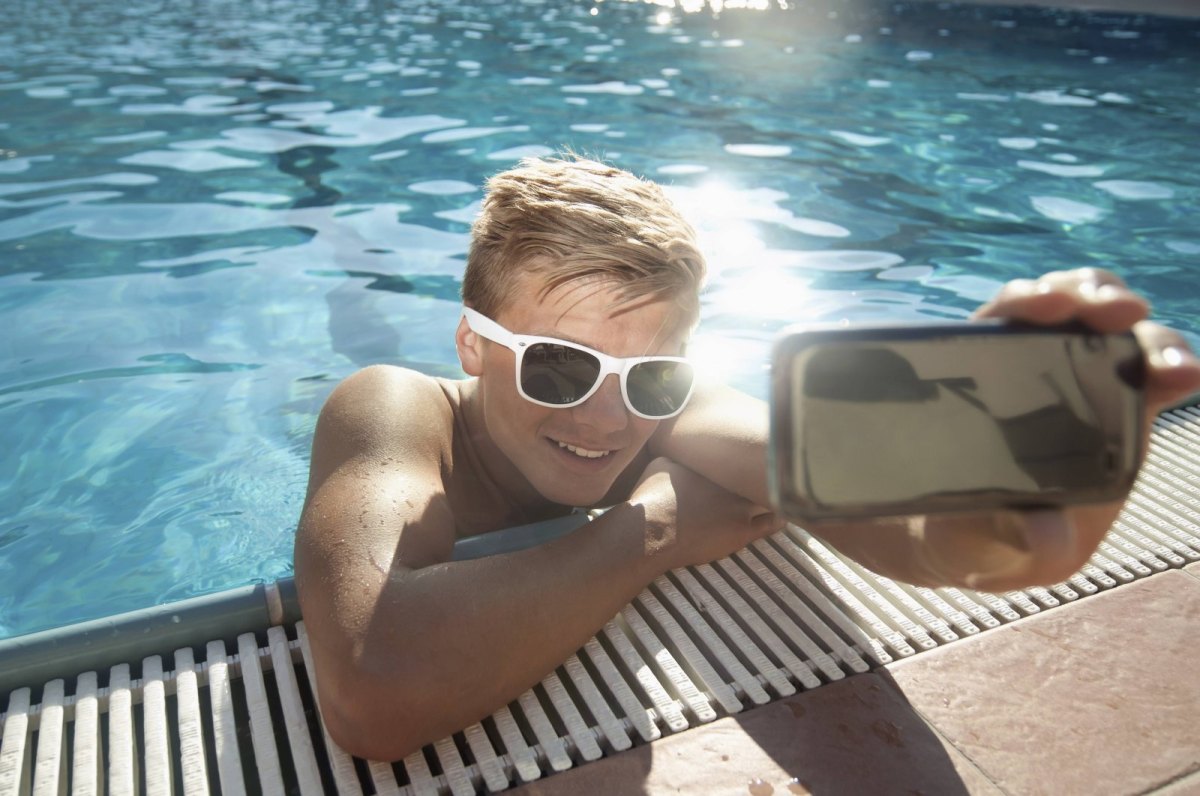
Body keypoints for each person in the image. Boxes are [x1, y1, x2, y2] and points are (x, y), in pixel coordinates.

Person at [294, 155, 1200, 762]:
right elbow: (372, 689)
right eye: (559, 365)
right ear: (472, 345)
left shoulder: (671, 408)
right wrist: (652, 529)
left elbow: (836, 485)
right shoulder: (394, 411)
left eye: (652, 375)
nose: (609, 413)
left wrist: (978, 530)